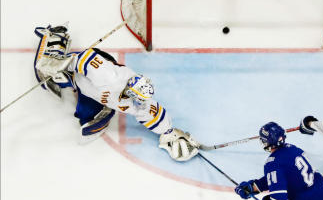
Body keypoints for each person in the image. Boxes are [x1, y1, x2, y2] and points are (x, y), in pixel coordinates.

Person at [33, 24, 199, 161]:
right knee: (58, 77)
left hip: (97, 94)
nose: (140, 103)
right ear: (130, 91)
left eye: (142, 100)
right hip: (85, 76)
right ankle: (56, 41)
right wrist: (62, 64)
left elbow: (153, 114)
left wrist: (171, 135)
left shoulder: (141, 103)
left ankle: (102, 108)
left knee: (87, 118)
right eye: (139, 99)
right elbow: (86, 59)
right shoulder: (110, 78)